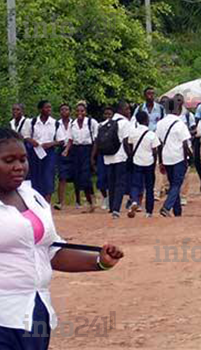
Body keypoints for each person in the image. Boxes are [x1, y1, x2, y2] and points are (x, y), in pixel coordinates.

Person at [0, 127, 124, 350]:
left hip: (35, 312)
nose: (19, 167)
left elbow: (51, 251)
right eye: (8, 160)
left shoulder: (34, 198)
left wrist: (100, 262)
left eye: (23, 159)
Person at [25, 101, 66, 202]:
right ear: (40, 110)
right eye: (46, 108)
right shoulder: (32, 122)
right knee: (35, 176)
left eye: (50, 108)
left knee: (48, 176)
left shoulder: (55, 123)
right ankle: (36, 202)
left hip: (49, 153)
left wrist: (51, 144)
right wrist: (33, 142)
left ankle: (46, 204)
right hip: (35, 152)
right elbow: (26, 136)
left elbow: (61, 140)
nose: (49, 110)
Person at [156, 99, 192, 217]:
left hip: (166, 157)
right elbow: (185, 144)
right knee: (177, 184)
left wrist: (161, 161)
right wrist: (190, 158)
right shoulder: (180, 123)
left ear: (165, 109)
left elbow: (159, 144)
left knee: (173, 184)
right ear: (178, 109)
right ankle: (166, 207)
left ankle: (177, 211)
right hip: (178, 157)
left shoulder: (160, 123)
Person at [62, 102, 98, 213]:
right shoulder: (73, 124)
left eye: (82, 111)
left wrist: (92, 156)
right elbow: (70, 139)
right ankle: (89, 201)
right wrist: (66, 150)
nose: (79, 113)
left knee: (86, 177)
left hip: (88, 150)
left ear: (85, 112)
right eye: (77, 111)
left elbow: (96, 140)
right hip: (76, 151)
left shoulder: (92, 123)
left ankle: (91, 200)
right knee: (77, 178)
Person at [127, 111, 160, 218]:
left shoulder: (133, 133)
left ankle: (135, 201)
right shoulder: (151, 134)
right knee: (149, 188)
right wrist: (155, 162)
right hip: (149, 162)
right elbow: (155, 151)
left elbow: (130, 146)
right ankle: (149, 212)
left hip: (137, 161)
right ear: (146, 120)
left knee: (135, 184)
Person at [103, 101, 132, 219]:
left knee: (111, 182)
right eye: (127, 109)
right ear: (121, 110)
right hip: (120, 156)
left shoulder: (107, 122)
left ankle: (111, 206)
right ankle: (116, 208)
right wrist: (130, 155)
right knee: (120, 183)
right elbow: (126, 142)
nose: (129, 111)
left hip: (108, 156)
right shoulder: (125, 123)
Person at [54, 104, 75, 210]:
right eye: (62, 110)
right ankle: (60, 202)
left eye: (66, 109)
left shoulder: (74, 123)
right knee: (62, 176)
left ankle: (78, 201)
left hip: (75, 149)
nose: (64, 111)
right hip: (61, 149)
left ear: (70, 111)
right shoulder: (56, 124)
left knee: (77, 175)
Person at [94, 106, 114, 210]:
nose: (107, 116)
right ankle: (105, 197)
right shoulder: (100, 126)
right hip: (101, 155)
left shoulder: (115, 126)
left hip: (112, 154)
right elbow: (96, 142)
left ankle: (111, 199)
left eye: (109, 114)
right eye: (105, 114)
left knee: (111, 178)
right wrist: (93, 156)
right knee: (101, 179)